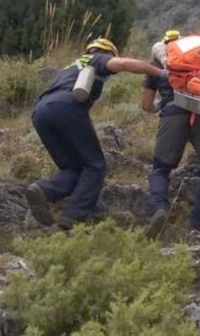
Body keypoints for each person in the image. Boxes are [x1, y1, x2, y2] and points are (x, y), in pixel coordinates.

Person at [25, 38, 163, 229]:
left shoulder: (70, 67)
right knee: (95, 165)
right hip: (66, 108)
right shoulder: (97, 58)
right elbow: (122, 64)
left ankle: (43, 190)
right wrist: (160, 72)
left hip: (40, 113)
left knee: (73, 168)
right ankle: (72, 217)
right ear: (108, 52)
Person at [141, 31, 200, 236]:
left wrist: (160, 103)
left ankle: (158, 209)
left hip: (172, 113)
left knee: (161, 168)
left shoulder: (156, 63)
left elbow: (146, 104)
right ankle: (199, 223)